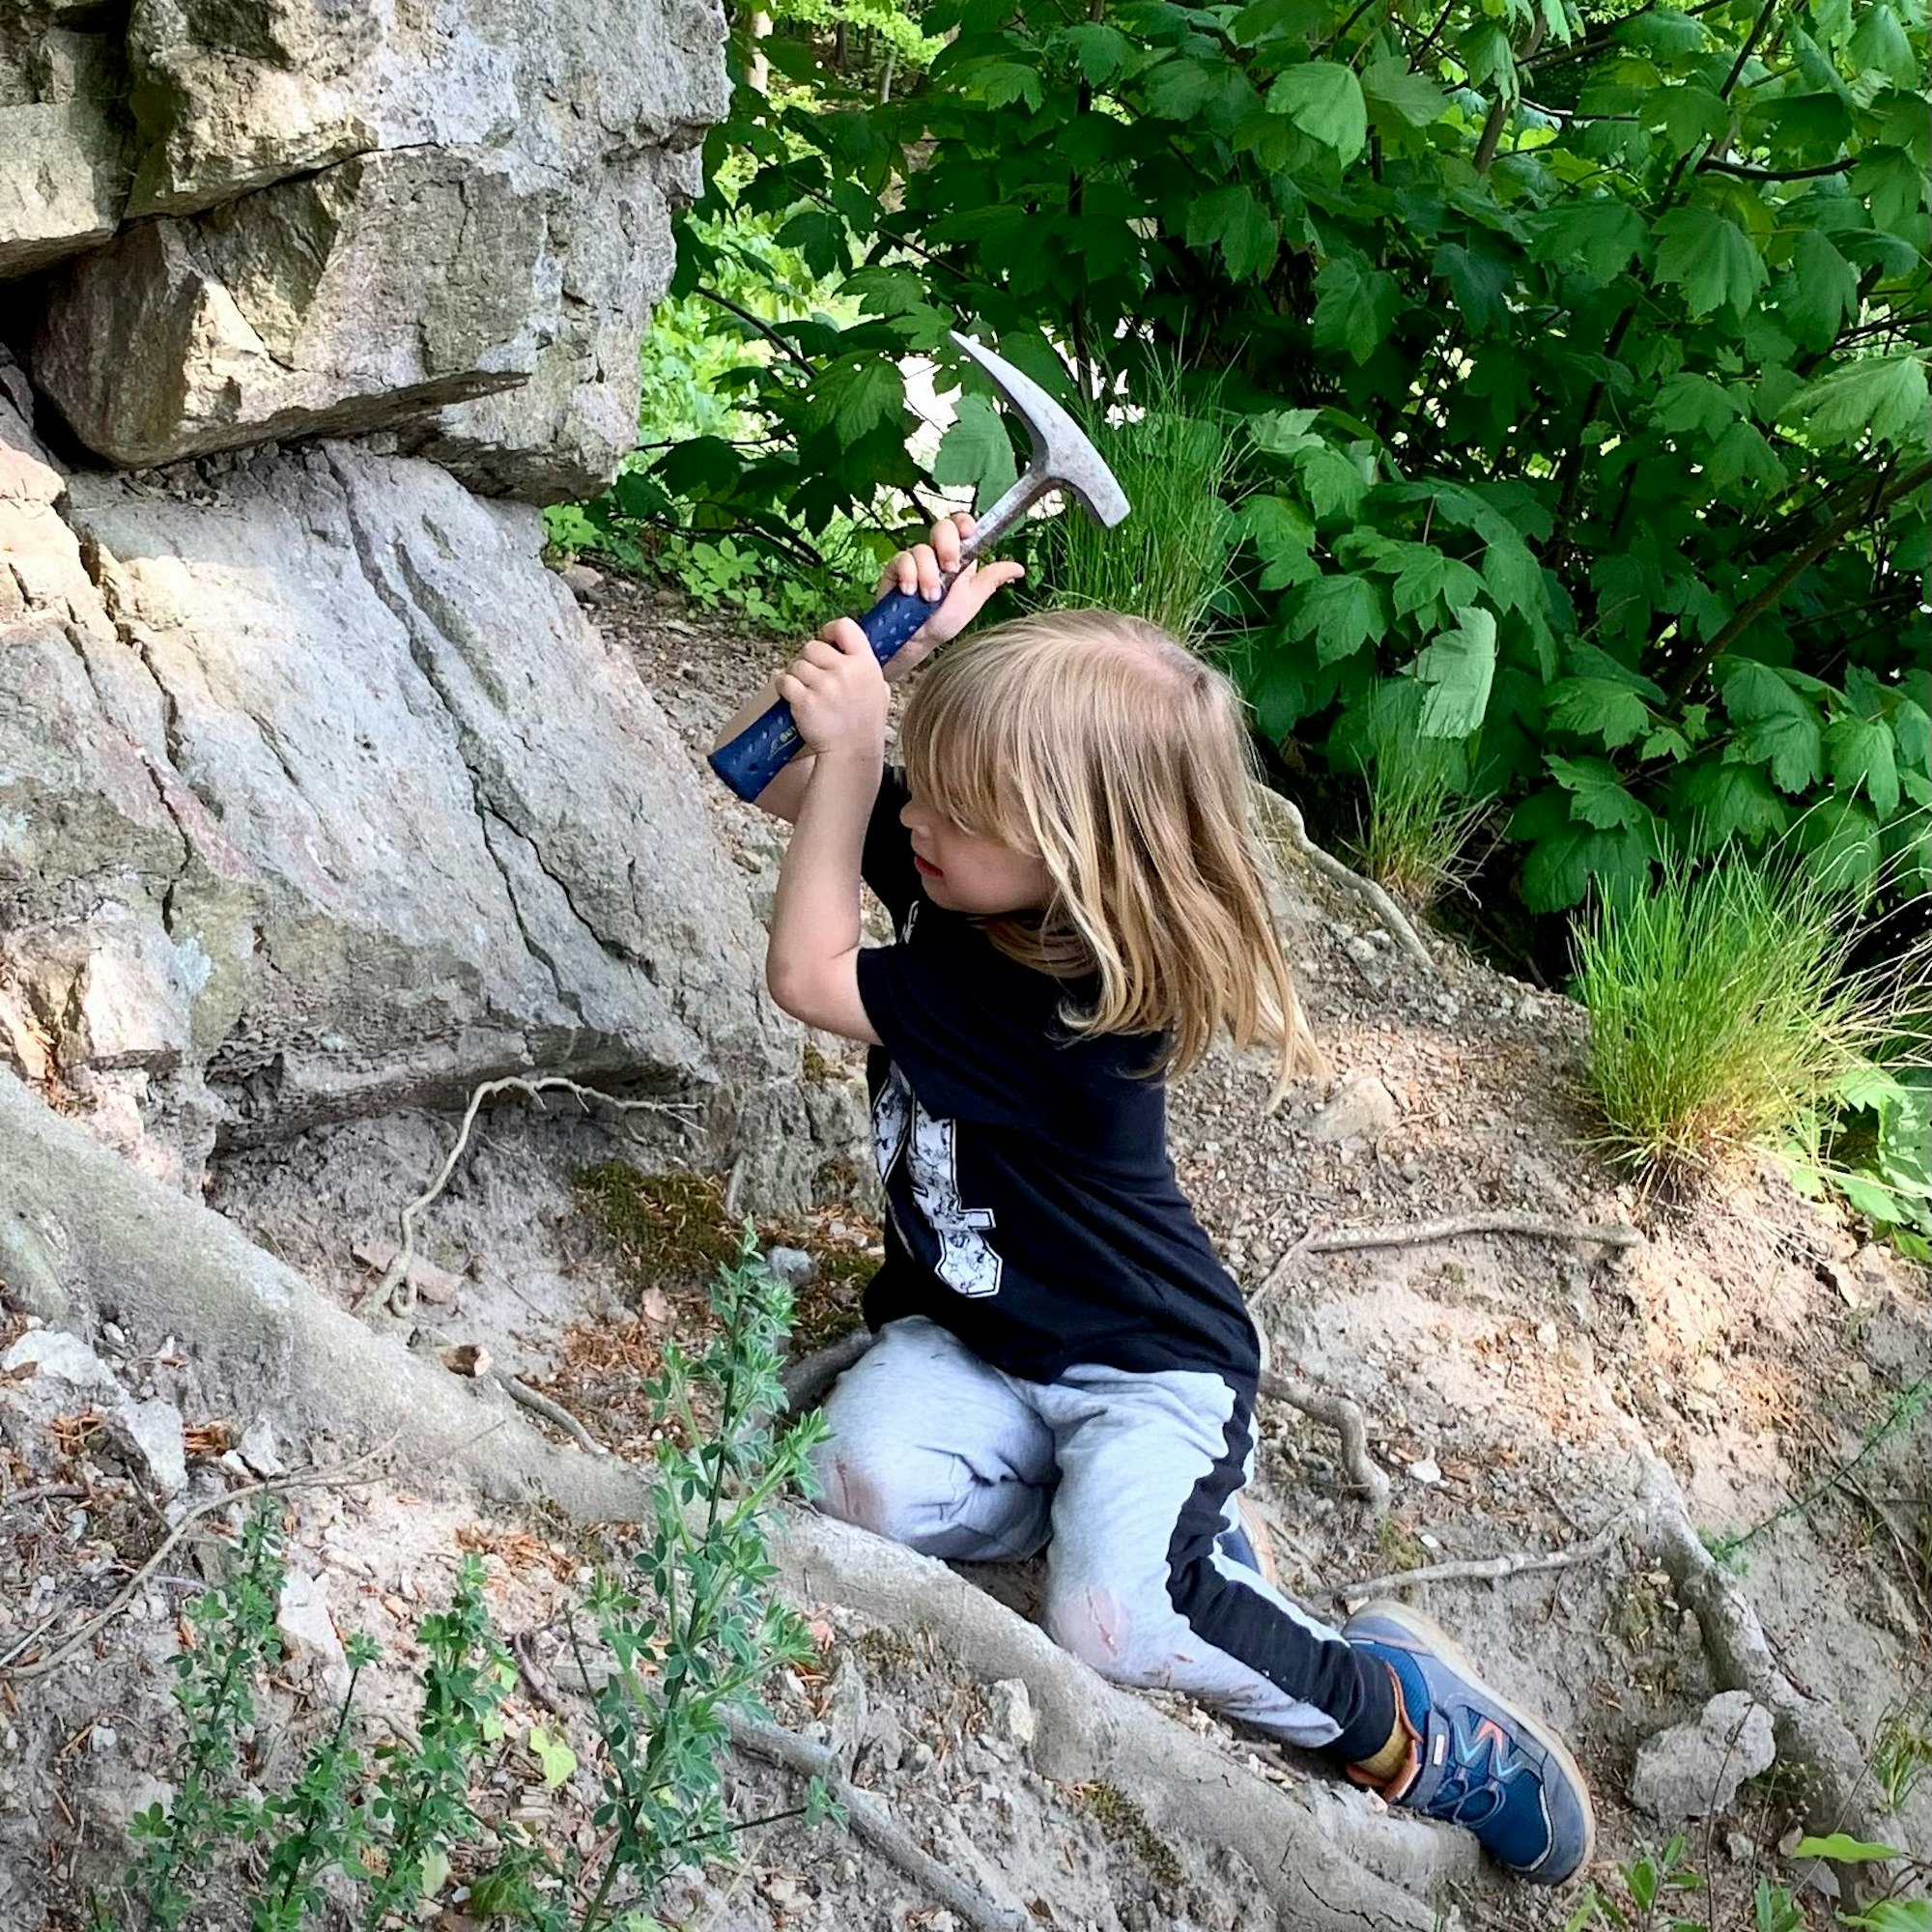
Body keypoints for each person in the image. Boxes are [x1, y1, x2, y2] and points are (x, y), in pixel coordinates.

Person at [711, 513, 1594, 1886]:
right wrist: (902, 656)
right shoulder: (973, 873)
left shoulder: (1070, 1000)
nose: (916, 820)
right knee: (853, 1486)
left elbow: (813, 975)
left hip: (1143, 1366)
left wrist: (870, 748)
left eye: (954, 803)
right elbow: (767, 778)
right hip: (981, 1337)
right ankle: (1134, 1522)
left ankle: (1395, 1718)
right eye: (923, 786)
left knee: (1110, 1628)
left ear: (1079, 851)